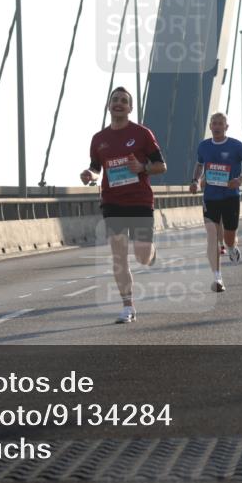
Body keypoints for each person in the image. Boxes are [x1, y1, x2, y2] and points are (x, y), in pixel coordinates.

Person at [81, 87, 166, 324]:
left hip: (140, 201)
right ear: (109, 106)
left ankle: (151, 254)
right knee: (119, 256)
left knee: (142, 257)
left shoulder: (142, 134)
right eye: (115, 100)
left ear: (130, 108)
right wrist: (90, 174)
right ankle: (128, 306)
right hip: (112, 202)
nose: (118, 104)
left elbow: (161, 166)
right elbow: (97, 168)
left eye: (123, 101)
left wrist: (143, 168)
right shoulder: (99, 139)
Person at [190, 112, 242, 292]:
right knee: (211, 235)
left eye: (221, 123)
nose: (218, 126)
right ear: (210, 127)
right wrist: (195, 181)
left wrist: (241, 179)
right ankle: (217, 277)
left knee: (228, 237)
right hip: (210, 197)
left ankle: (231, 248)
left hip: (230, 197)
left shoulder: (235, 145)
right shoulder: (203, 146)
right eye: (214, 123)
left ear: (226, 127)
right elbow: (199, 165)